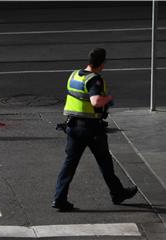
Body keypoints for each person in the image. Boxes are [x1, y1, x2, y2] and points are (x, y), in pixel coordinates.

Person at [52, 48, 138, 211]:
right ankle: (118, 193)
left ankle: (59, 198)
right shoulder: (94, 80)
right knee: (105, 162)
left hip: (72, 126)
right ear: (103, 63)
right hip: (91, 129)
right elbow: (96, 102)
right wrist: (109, 98)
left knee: (69, 164)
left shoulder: (75, 74)